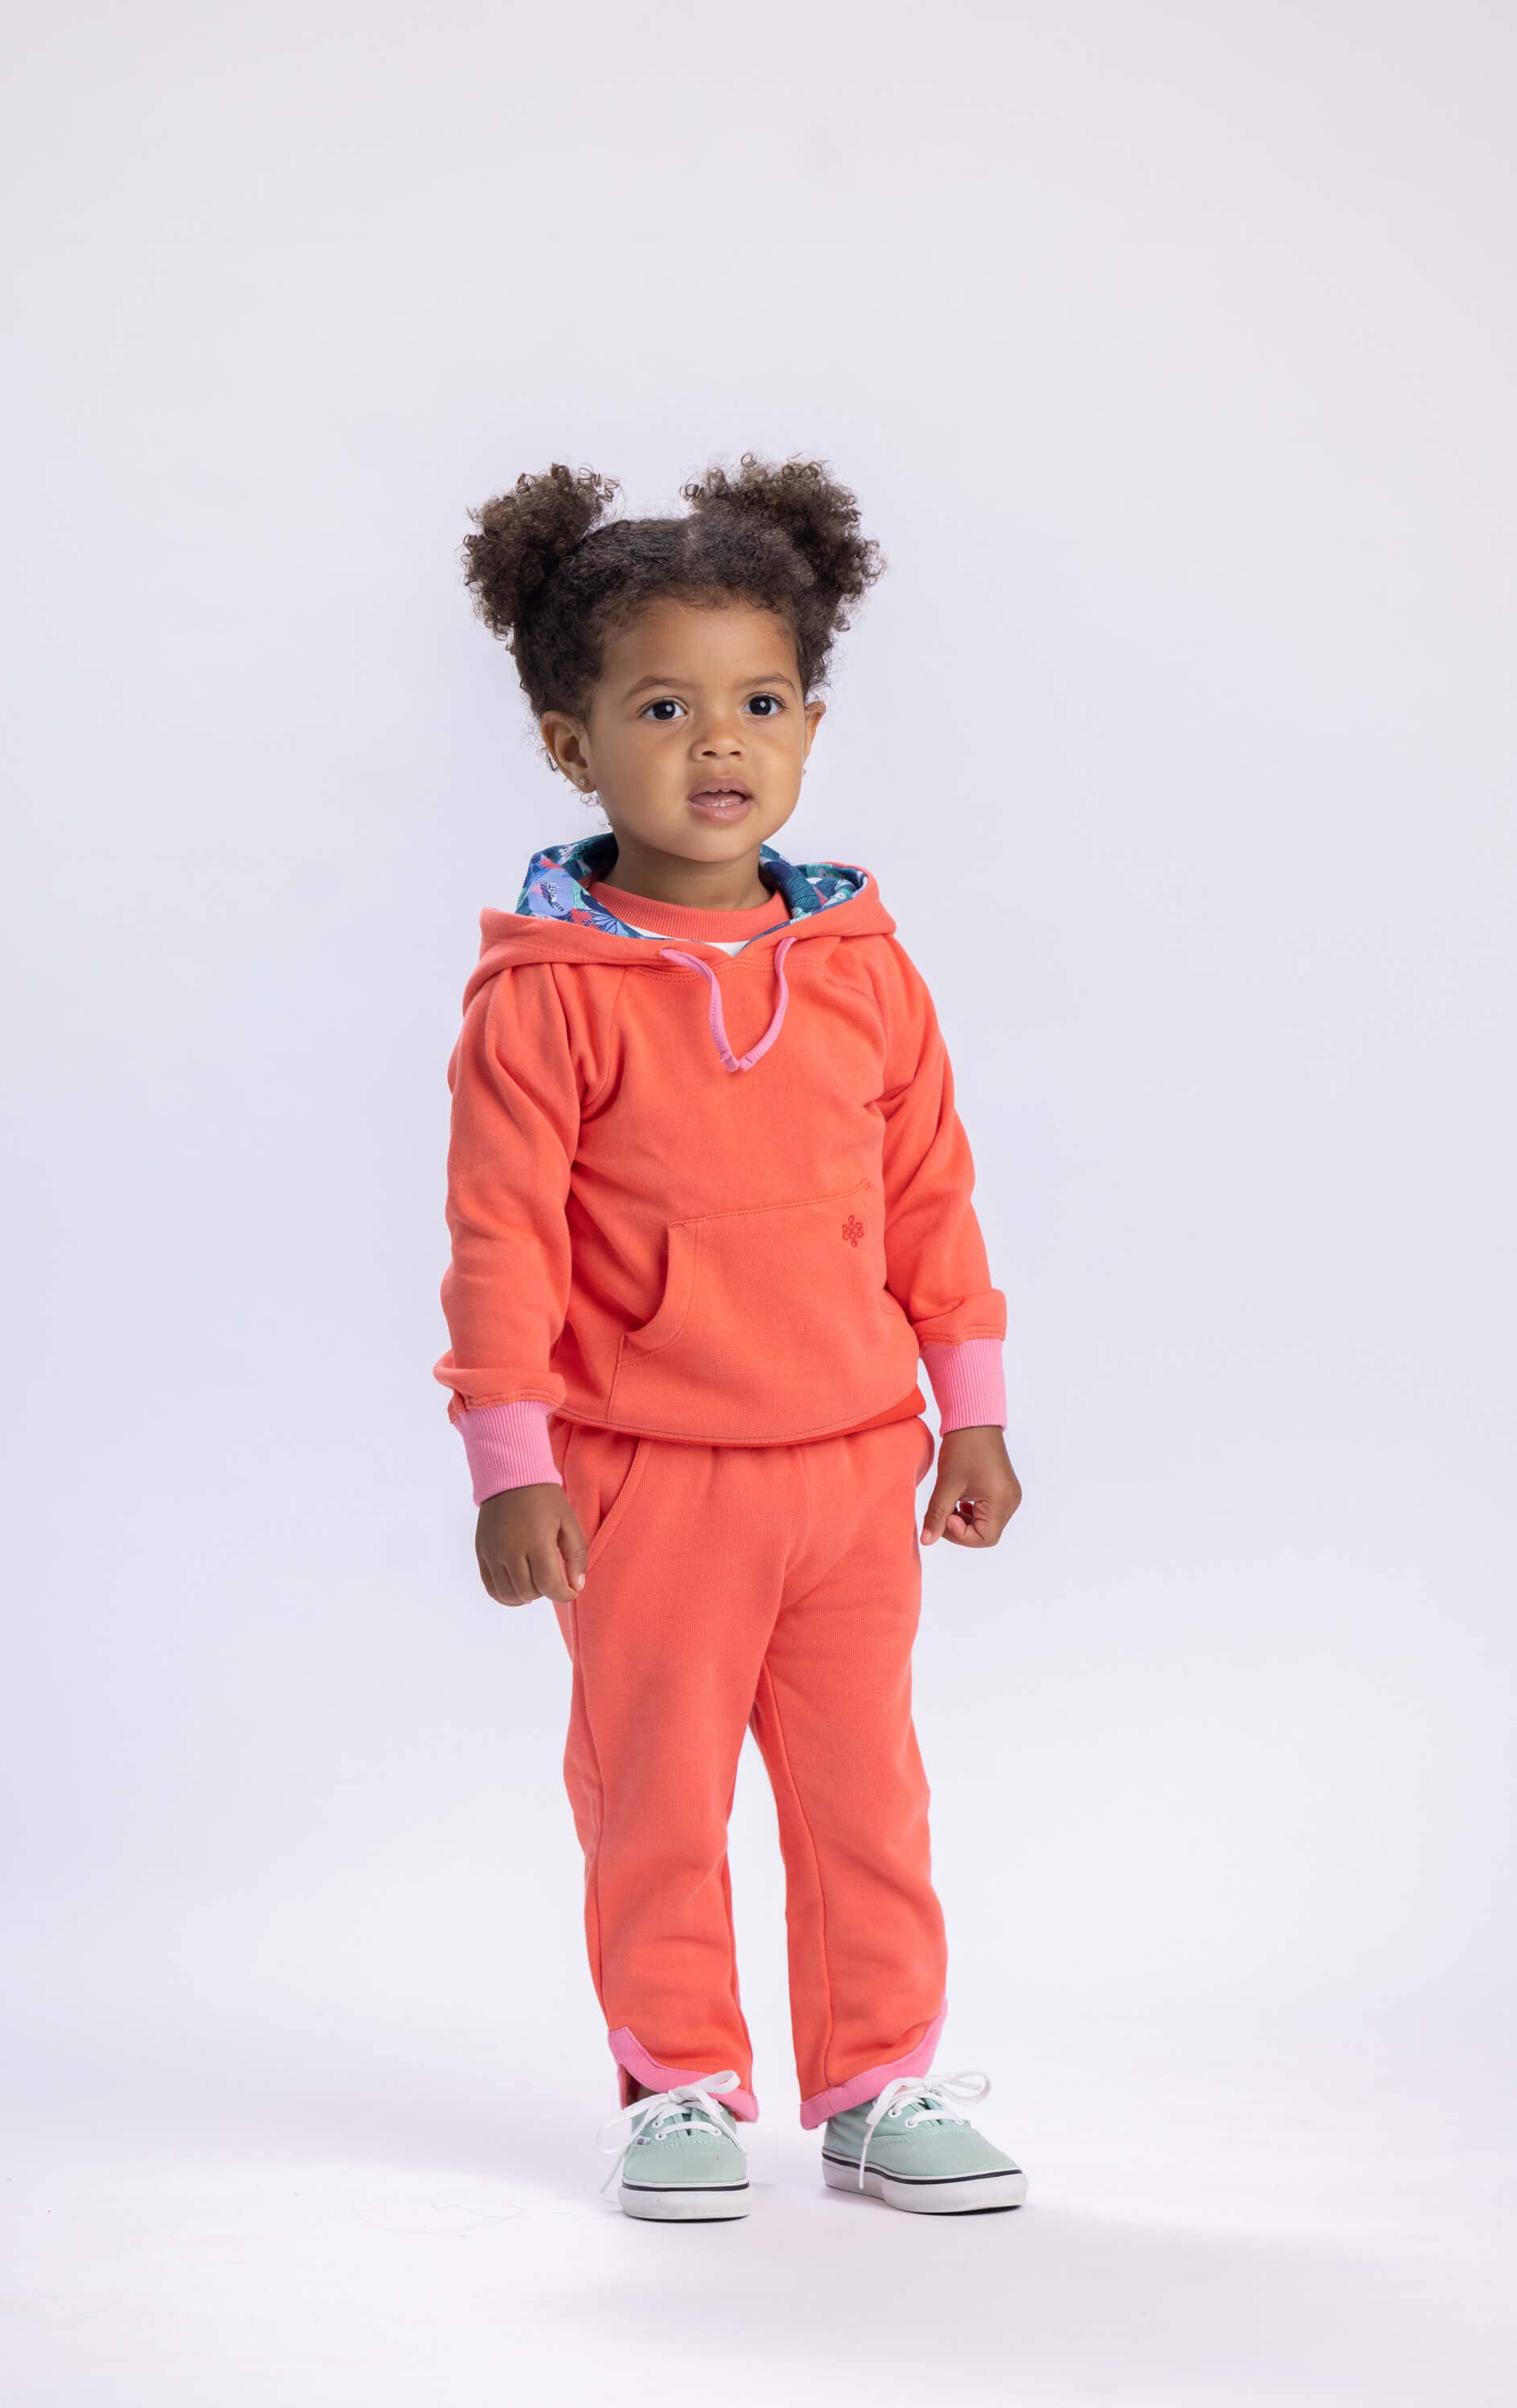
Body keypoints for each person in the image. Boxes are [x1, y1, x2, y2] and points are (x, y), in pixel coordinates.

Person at [434, 453, 1027, 2221]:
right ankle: (677, 2081)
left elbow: (929, 1195)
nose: (718, 741)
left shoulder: (862, 964)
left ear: (810, 728)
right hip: (646, 1481)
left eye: (759, 702)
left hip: (852, 1467)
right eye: (662, 706)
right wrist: (510, 1461)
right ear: (570, 744)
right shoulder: (543, 999)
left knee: (866, 1797)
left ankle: (876, 2082)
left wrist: (971, 1409)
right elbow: (499, 1243)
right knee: (655, 1798)